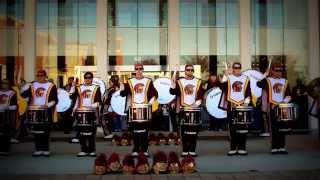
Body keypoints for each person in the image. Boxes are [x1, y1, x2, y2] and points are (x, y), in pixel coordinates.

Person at [120, 63, 158, 157]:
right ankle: (136, 149)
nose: (139, 70)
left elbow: (154, 93)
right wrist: (121, 89)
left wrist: (150, 103)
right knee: (135, 130)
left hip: (145, 108)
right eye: (137, 69)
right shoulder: (129, 81)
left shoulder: (148, 81)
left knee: (144, 130)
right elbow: (124, 94)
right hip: (133, 109)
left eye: (140, 69)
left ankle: (144, 150)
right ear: (134, 70)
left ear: (143, 70)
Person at [169, 64, 205, 157]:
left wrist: (196, 104)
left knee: (193, 130)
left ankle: (192, 150)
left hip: (194, 109)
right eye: (188, 70)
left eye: (191, 70)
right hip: (183, 109)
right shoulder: (180, 81)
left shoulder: (198, 81)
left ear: (193, 71)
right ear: (185, 71)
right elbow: (172, 91)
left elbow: (201, 95)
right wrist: (174, 75)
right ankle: (185, 149)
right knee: (184, 130)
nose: (190, 71)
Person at [21, 70, 58, 157]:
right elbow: (23, 95)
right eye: (38, 75)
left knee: (45, 131)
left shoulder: (51, 86)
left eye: (41, 75)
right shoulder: (33, 85)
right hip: (35, 111)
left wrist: (47, 105)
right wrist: (25, 86)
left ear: (45, 76)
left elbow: (55, 99)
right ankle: (38, 149)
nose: (39, 77)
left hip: (46, 110)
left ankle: (45, 149)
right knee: (36, 131)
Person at [257, 63, 291, 154]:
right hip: (271, 107)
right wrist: (265, 75)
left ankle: (282, 147)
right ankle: (274, 147)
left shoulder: (285, 81)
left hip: (282, 107)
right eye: (276, 70)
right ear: (272, 71)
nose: (278, 72)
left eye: (280, 71)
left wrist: (283, 103)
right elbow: (258, 84)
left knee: (282, 128)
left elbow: (288, 95)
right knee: (273, 128)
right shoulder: (268, 80)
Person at [220, 62, 251, 156]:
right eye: (235, 68)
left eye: (239, 68)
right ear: (233, 69)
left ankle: (242, 147)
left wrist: (246, 101)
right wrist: (225, 74)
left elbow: (248, 92)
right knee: (232, 129)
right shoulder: (229, 78)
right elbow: (222, 87)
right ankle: (233, 148)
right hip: (231, 106)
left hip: (242, 107)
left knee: (242, 128)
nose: (237, 69)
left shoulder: (246, 79)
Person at [73, 72, 101, 157]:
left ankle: (92, 150)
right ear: (84, 78)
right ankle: (83, 150)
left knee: (91, 132)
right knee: (81, 132)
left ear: (92, 78)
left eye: (89, 77)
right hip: (81, 112)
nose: (87, 79)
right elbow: (72, 97)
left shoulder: (96, 88)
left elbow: (98, 101)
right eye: (86, 77)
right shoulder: (79, 87)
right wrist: (73, 87)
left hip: (91, 112)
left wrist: (91, 106)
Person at [0, 79, 17, 155]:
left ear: (9, 84)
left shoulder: (12, 93)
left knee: (6, 133)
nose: (4, 85)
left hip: (7, 115)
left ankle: (5, 150)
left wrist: (7, 107)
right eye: (3, 83)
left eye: (6, 83)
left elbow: (15, 106)